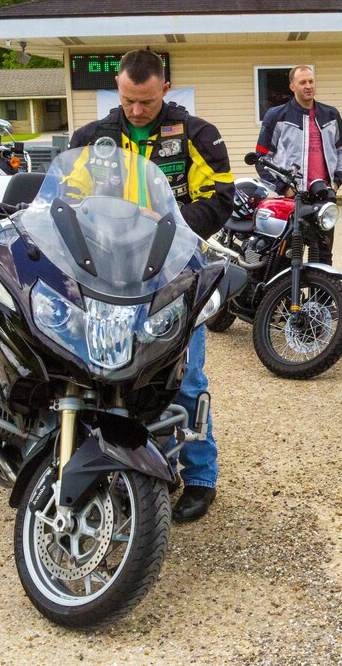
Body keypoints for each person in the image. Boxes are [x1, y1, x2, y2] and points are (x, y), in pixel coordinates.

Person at [69, 49, 234, 524]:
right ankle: (124, 465)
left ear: (165, 88)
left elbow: (220, 198)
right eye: (127, 100)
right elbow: (65, 196)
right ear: (118, 90)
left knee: (185, 378)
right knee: (103, 372)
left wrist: (162, 227)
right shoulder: (93, 139)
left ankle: (200, 475)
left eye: (146, 100)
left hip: (175, 272)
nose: (136, 110)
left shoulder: (197, 135)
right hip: (105, 274)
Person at [255, 65, 342, 264]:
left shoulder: (331, 114)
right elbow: (261, 159)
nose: (308, 86)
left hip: (324, 196)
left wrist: (336, 183)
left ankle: (321, 286)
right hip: (292, 198)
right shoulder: (277, 116)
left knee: (323, 256)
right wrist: (284, 189)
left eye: (311, 81)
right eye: (302, 82)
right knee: (286, 255)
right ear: (292, 87)